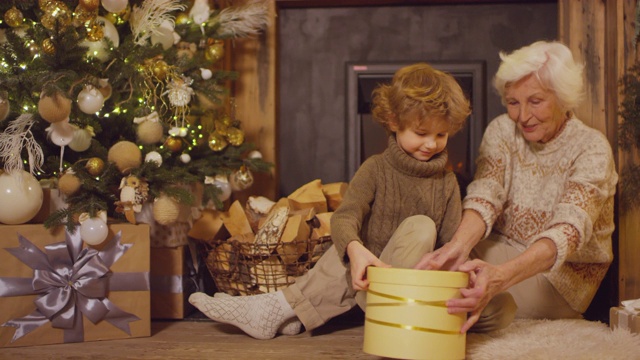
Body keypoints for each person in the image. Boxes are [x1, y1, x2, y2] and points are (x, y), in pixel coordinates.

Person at [189, 62, 474, 339]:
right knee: (355, 244)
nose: (431, 144)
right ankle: (280, 311)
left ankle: (285, 312)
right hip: (368, 283)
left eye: (441, 134)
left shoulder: (447, 183)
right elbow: (345, 216)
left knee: (495, 303)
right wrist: (354, 248)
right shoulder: (376, 169)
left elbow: (453, 244)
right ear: (394, 122)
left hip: (413, 289)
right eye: (421, 133)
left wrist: (465, 276)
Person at [415, 40, 619, 333]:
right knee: (437, 253)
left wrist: (499, 276)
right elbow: (484, 195)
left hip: (559, 277)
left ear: (563, 98)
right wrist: (458, 247)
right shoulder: (501, 130)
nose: (522, 116)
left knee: (445, 282)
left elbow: (567, 232)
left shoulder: (591, 148)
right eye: (513, 102)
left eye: (535, 101)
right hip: (499, 248)